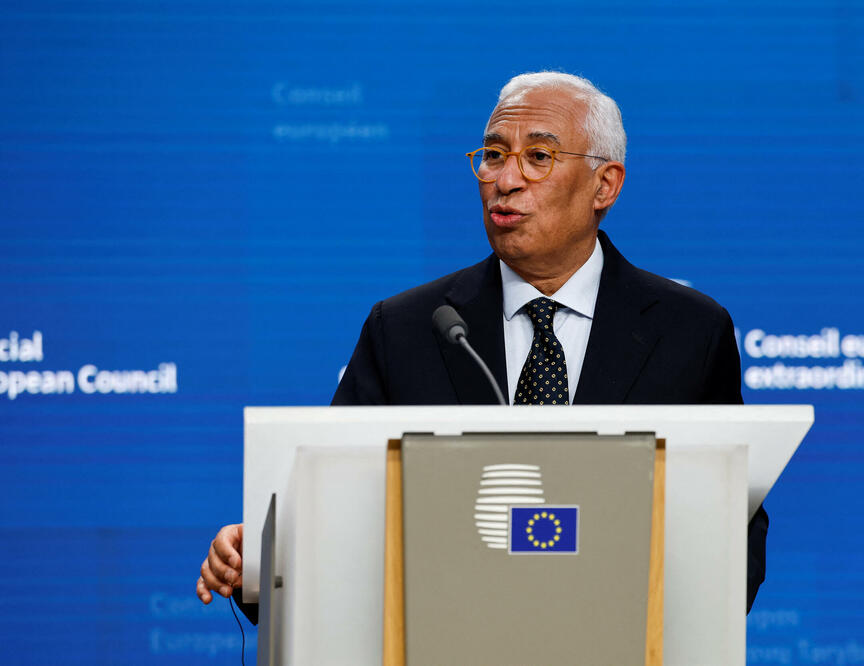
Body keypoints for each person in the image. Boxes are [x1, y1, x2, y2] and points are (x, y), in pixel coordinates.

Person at [196, 71, 769, 619]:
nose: (505, 180)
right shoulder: (406, 328)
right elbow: (333, 505)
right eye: (493, 155)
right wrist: (259, 559)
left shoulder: (690, 331)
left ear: (605, 185)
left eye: (538, 157)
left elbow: (733, 530)